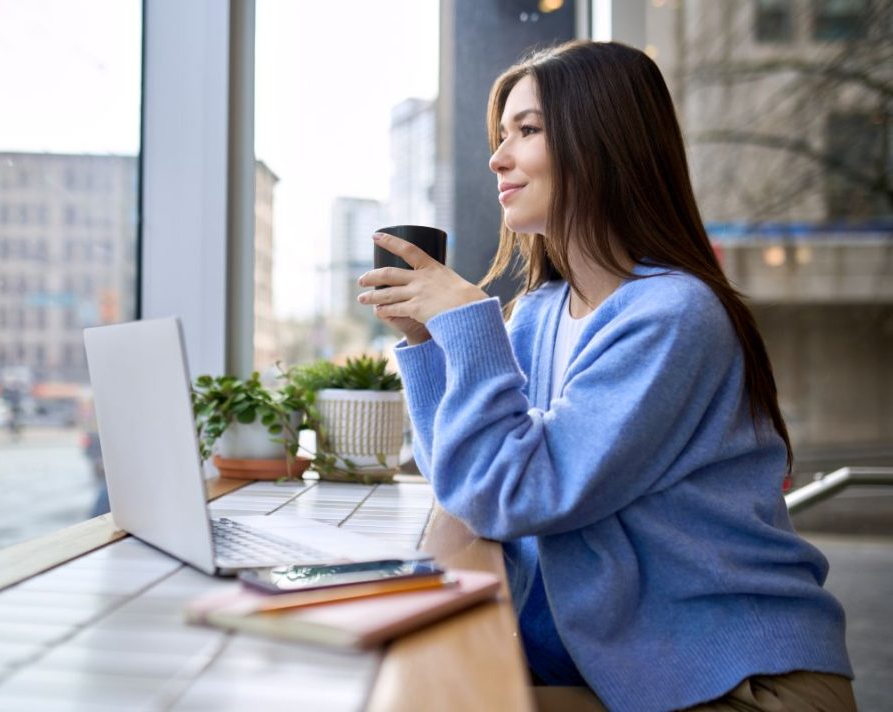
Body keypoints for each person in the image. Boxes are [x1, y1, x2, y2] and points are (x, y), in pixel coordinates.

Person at [357, 40, 855, 712]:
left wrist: (470, 324)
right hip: (632, 668)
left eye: (527, 131)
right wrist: (425, 346)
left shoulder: (673, 315)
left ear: (603, 144)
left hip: (742, 682)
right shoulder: (539, 314)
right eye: (501, 135)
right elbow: (466, 479)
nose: (498, 158)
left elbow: (516, 493)